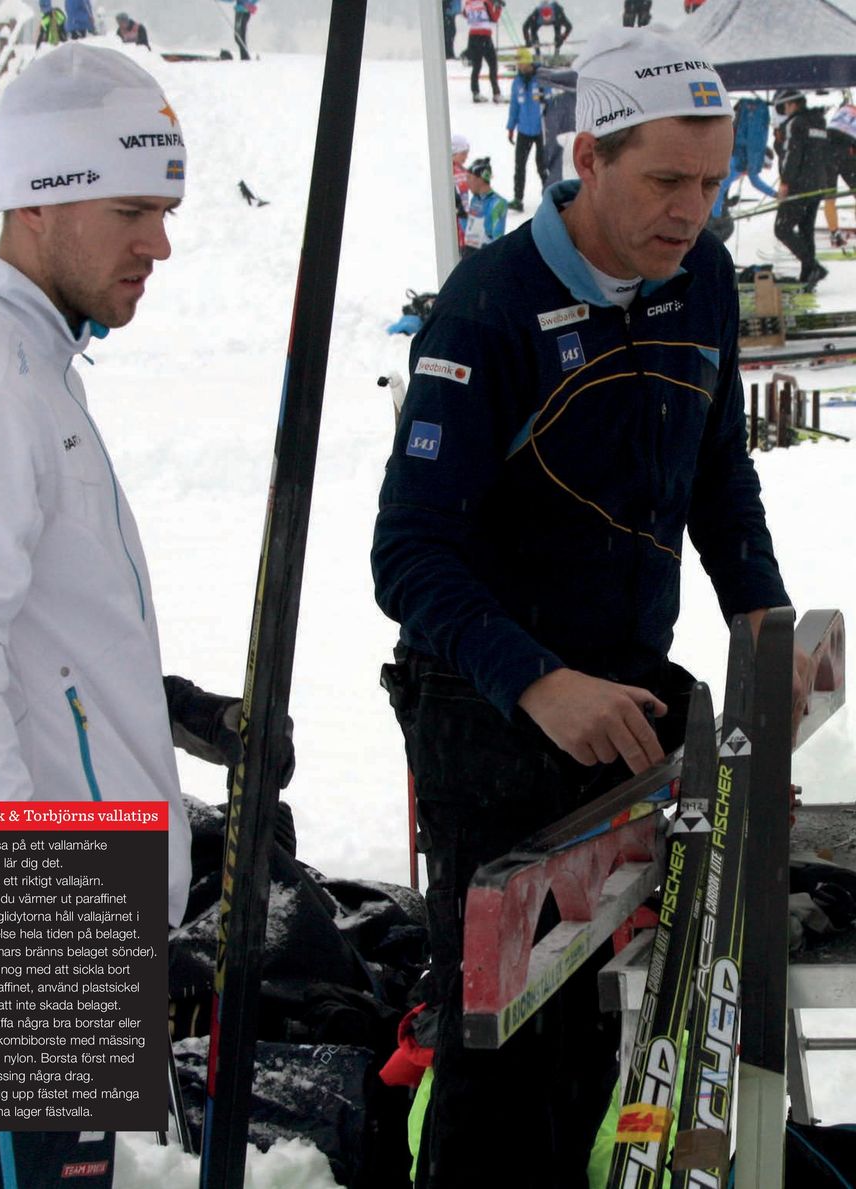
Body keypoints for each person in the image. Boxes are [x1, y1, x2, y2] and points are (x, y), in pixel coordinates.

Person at [372, 25, 811, 1189]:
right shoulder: (489, 310)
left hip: (627, 703)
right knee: (498, 1048)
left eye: (714, 182)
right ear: (587, 159)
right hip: (488, 717)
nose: (692, 211)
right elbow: (408, 553)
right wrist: (535, 680)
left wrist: (764, 623)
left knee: (601, 1032)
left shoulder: (700, 274)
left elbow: (719, 473)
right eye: (666, 181)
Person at [0, 44, 271, 1189]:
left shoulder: (35, 365)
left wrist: (166, 708)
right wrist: (36, 911)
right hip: (40, 901)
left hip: (75, 889)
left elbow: (28, 638)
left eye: (163, 210)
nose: (159, 243)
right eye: (133, 211)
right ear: (42, 196)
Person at [772, 87, 834, 289]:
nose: (785, 111)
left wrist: (785, 182)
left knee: (782, 228)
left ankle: (812, 266)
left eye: (784, 107)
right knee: (806, 230)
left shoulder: (795, 123)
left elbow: (792, 154)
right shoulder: (819, 122)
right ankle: (808, 273)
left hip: (799, 184)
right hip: (818, 184)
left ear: (791, 104)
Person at [711, 95, 777, 217]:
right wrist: (716, 214)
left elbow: (755, 180)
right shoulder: (738, 165)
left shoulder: (742, 162)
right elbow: (718, 190)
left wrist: (727, 202)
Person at [506, 46, 547, 211]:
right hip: (523, 130)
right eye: (518, 64)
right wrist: (511, 127)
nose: (519, 66)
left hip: (541, 131)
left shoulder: (541, 79)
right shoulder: (517, 82)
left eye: (521, 63)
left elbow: (551, 102)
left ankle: (549, 198)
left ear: (528, 63)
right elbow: (514, 106)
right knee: (519, 165)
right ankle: (518, 198)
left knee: (543, 165)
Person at [460, 157, 508, 257]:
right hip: (470, 255)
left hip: (485, 257)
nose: (467, 182)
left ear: (480, 179)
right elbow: (470, 232)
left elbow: (497, 240)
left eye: (469, 178)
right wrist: (461, 214)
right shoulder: (475, 199)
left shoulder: (497, 203)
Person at [824, 101, 856, 249]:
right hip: (845, 153)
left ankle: (834, 234)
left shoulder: (844, 109)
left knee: (830, 196)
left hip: (826, 151)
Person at [463, 0, 503, 104]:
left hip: (472, 36)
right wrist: (498, 8)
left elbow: (465, 14)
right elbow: (494, 18)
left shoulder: (468, 3)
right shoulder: (485, 2)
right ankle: (496, 94)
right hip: (484, 36)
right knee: (493, 64)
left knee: (476, 66)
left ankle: (475, 93)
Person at [542, 84, 577, 185]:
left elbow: (551, 137)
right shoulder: (590, 100)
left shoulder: (556, 103)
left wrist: (547, 160)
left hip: (561, 157)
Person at [452, 132, 472, 253]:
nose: (466, 157)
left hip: (464, 219)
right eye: (463, 153)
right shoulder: (449, 171)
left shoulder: (464, 170)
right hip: (456, 220)